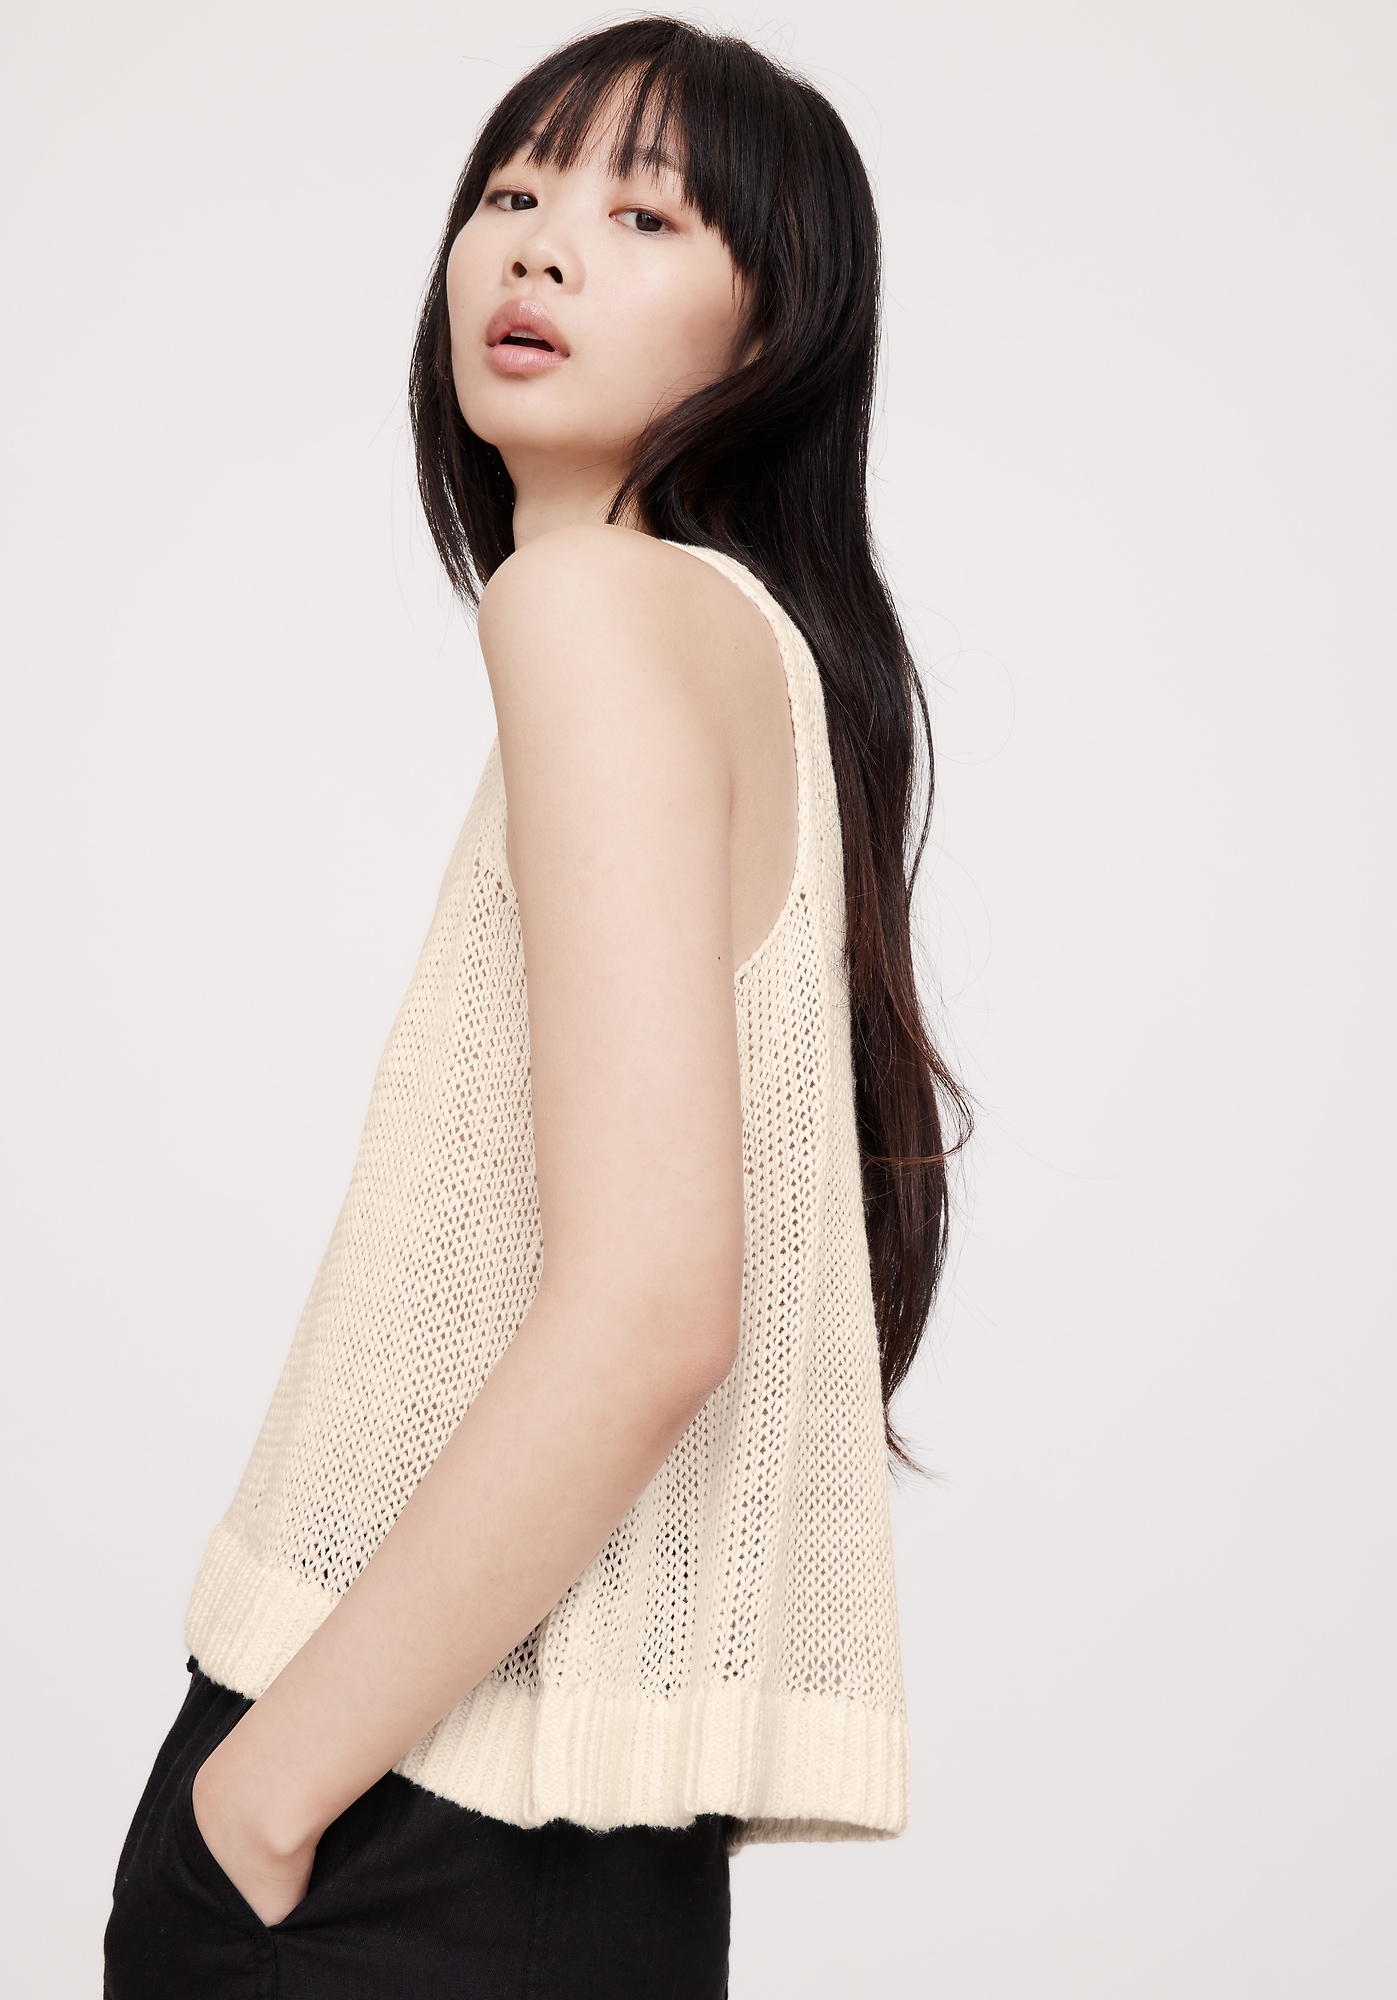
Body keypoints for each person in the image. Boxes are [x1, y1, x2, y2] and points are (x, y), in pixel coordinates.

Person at [103, 17, 965, 1997]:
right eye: (511, 190)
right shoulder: (750, 649)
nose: (541, 242)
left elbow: (654, 1305)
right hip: (584, 1870)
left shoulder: (587, 608)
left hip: (409, 1833)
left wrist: (263, 1797)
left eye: (645, 214)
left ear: (776, 326)